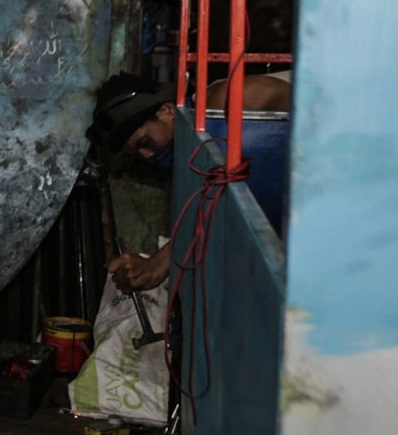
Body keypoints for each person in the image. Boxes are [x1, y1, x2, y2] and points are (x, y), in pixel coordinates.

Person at [89, 70, 292, 292]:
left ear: (167, 110)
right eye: (137, 154)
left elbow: (306, 103)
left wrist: (158, 264)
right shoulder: (192, 160)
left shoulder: (219, 101)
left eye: (144, 142)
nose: (147, 156)